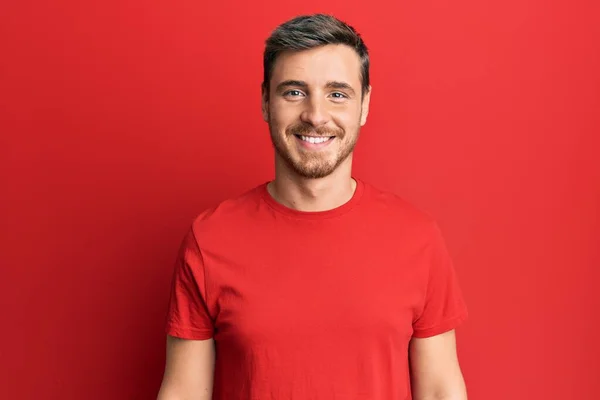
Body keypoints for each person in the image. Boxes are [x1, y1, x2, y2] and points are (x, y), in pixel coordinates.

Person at [157, 13, 468, 400]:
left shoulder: (417, 238)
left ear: (365, 105)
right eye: (294, 92)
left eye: (337, 93)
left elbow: (440, 390)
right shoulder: (209, 239)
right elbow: (184, 393)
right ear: (265, 102)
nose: (315, 115)